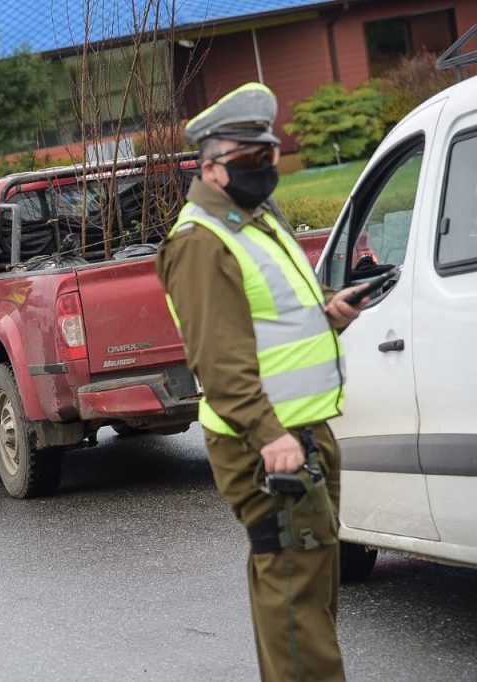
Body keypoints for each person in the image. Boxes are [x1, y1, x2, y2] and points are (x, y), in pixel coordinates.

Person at [157, 82, 368, 682]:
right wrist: (269, 434)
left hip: (300, 426)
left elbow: (269, 318)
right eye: (251, 159)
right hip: (265, 439)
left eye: (270, 155)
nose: (266, 168)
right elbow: (219, 360)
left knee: (308, 582)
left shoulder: (253, 221)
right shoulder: (200, 242)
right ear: (211, 167)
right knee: (296, 595)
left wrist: (330, 309)